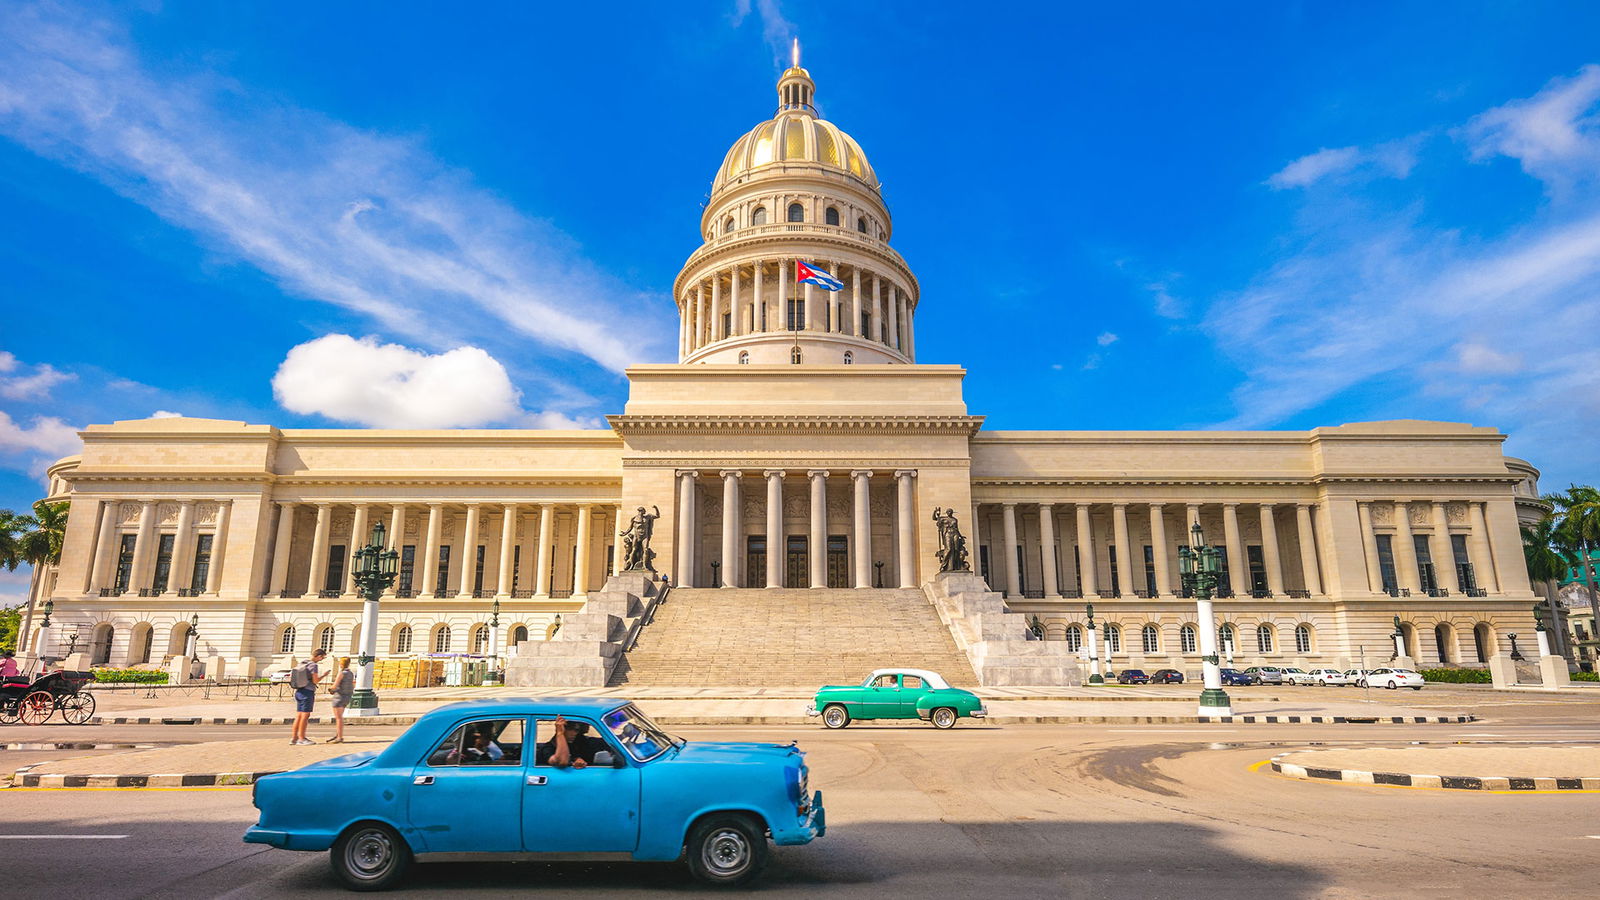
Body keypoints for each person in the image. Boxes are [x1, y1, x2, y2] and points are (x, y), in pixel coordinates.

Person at [289, 648, 326, 746]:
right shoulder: (313, 665)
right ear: (319, 656)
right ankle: (302, 738)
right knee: (305, 716)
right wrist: (324, 675)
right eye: (322, 658)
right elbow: (315, 681)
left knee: (299, 716)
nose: (322, 659)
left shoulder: (303, 662)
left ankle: (294, 738)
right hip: (307, 692)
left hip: (299, 691)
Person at [535, 715, 603, 768]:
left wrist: (577, 760)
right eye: (572, 729)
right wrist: (560, 733)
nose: (575, 733)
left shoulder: (575, 744)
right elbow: (561, 761)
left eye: (577, 730)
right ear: (563, 728)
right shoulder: (547, 749)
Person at [326, 656, 354, 743]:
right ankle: (338, 734)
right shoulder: (350, 673)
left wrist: (330, 689)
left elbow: (335, 686)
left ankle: (339, 737)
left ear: (341, 664)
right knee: (340, 717)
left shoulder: (341, 673)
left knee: (338, 718)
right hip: (346, 697)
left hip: (339, 697)